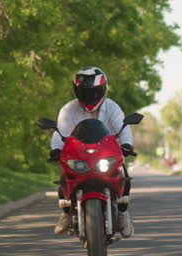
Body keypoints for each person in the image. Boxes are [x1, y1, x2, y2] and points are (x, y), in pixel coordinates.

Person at [48, 66, 135, 236]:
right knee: (64, 176)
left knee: (124, 175)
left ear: (102, 89)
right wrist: (56, 149)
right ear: (77, 91)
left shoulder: (112, 107)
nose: (90, 96)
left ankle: (123, 214)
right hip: (78, 155)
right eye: (85, 92)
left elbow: (124, 128)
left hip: (106, 154)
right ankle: (66, 213)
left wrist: (127, 145)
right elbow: (60, 131)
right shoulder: (68, 109)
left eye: (94, 92)